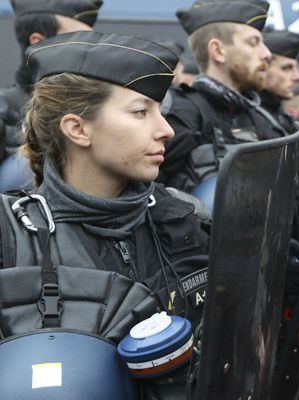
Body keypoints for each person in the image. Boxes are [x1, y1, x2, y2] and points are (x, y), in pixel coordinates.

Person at [0, 31, 211, 399]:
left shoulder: (183, 216)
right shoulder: (11, 236)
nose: (166, 130)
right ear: (78, 129)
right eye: (141, 112)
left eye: (160, 111)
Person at [158, 0, 280, 191]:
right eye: (253, 42)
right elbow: (141, 195)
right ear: (218, 51)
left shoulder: (264, 120)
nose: (267, 54)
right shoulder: (181, 114)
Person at [0, 0, 102, 162]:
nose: (90, 49)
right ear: (39, 42)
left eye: (91, 41)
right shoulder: (4, 112)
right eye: (78, 39)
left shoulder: (101, 108)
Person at [260, 29, 299, 135]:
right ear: (263, 68)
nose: (298, 77)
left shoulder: (279, 115)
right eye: (287, 68)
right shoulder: (247, 116)